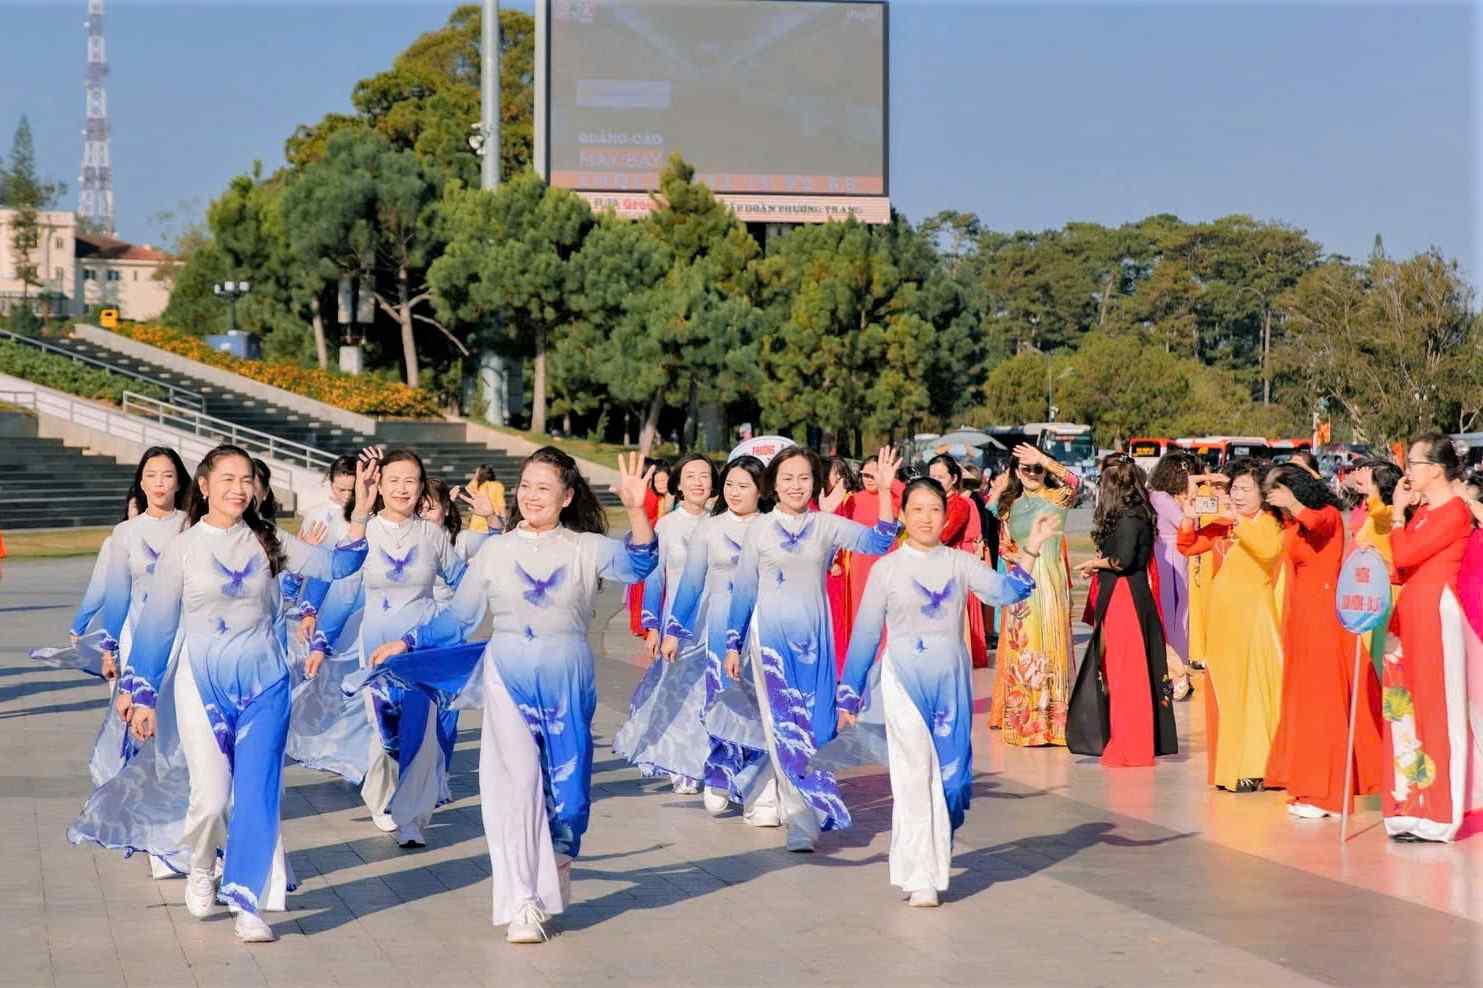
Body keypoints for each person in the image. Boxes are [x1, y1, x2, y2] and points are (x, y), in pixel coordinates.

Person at [361, 449, 658, 944]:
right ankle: (522, 900)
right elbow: (457, 616)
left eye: (544, 488)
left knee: (569, 797)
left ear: (566, 497)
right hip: (507, 679)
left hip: (567, 681)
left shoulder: (586, 547)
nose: (532, 495)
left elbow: (641, 564)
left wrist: (638, 510)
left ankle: (558, 861)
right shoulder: (496, 552)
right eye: (526, 485)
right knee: (514, 788)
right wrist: (408, 643)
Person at [116, 443, 373, 942]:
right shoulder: (183, 549)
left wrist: (360, 510)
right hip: (202, 684)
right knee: (211, 799)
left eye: (246, 480)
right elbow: (156, 627)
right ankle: (199, 864)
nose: (239, 489)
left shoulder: (270, 540)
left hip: (266, 684)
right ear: (205, 487)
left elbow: (338, 568)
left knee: (256, 793)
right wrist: (142, 694)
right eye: (227, 479)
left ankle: (247, 900)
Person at [836, 477, 1053, 906]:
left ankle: (924, 859)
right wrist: (850, 692)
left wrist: (1033, 546)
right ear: (902, 516)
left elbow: (1006, 592)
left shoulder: (958, 563)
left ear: (946, 515)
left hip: (951, 687)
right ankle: (922, 877)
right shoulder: (886, 569)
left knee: (951, 783)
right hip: (903, 683)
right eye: (916, 509)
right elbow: (864, 633)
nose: (925, 518)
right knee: (914, 774)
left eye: (934, 509)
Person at [721, 445, 902, 852]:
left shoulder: (826, 526)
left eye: (804, 477)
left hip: (817, 643)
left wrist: (887, 492)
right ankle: (801, 818)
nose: (796, 486)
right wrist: (732, 644)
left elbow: (879, 542)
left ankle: (766, 788)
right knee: (785, 727)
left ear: (816, 482)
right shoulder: (759, 530)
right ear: (773, 484)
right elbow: (744, 590)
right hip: (770, 643)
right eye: (787, 478)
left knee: (819, 730)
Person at [303, 448, 476, 848]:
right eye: (394, 480)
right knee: (387, 734)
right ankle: (382, 799)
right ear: (378, 485)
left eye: (410, 481)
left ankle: (412, 817)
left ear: (420, 488)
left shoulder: (434, 535)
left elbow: (467, 584)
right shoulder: (363, 534)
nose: (402, 488)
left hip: (422, 651)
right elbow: (344, 593)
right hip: (376, 651)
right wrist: (321, 642)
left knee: (421, 731)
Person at [56, 446, 190, 877]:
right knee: (144, 735)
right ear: (141, 482)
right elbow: (116, 597)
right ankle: (151, 832)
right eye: (151, 475)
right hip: (139, 644)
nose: (159, 483)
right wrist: (110, 648)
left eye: (167, 475)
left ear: (180, 481)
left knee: (181, 737)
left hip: (186, 642)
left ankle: (181, 829)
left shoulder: (193, 528)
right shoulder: (125, 535)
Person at [1262, 463, 1384, 819]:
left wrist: (1294, 505)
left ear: (1296, 489)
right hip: (1300, 619)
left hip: (1324, 619)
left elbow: (1317, 524)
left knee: (1323, 706)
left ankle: (1326, 794)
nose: (1275, 498)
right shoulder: (1292, 524)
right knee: (1303, 703)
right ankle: (1305, 782)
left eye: (1279, 490)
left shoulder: (1326, 515)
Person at [658, 455, 773, 819]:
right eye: (730, 485)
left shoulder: (773, 527)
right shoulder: (710, 528)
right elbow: (691, 583)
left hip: (763, 625)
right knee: (723, 697)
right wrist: (673, 629)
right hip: (720, 626)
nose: (735, 492)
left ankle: (758, 785)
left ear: (761, 490)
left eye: (744, 486)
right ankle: (720, 773)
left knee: (762, 704)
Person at [1382, 435, 1474, 842]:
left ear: (1436, 469)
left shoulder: (1455, 512)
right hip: (1408, 620)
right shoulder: (1422, 513)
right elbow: (1399, 568)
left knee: (1439, 714)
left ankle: (1442, 812)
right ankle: (1410, 804)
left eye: (1415, 463)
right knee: (1405, 713)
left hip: (1438, 619)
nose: (1408, 472)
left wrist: (1398, 516)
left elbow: (1404, 555)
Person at [1177, 458, 1285, 791]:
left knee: (1251, 692)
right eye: (1234, 488)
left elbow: (1268, 552)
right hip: (1224, 623)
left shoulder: (1270, 523)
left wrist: (1239, 522)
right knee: (1227, 694)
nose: (1237, 495)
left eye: (1244, 489)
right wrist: (1189, 517)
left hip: (1254, 620)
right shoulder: (1227, 524)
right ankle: (1231, 768)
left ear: (1263, 493)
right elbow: (1188, 545)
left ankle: (1256, 766)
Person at [1068, 456, 1178, 766]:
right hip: (1124, 593)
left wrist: (1094, 563)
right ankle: (1126, 740)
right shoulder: (1135, 514)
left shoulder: (1130, 517)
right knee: (1120, 671)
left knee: (1127, 672)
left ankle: (1133, 744)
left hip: (1125, 597)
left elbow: (1124, 560)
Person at [616, 452, 717, 791]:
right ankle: (681, 765)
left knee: (709, 693)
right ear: (678, 484)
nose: (699, 482)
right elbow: (655, 578)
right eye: (691, 476)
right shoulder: (667, 526)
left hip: (714, 622)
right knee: (677, 692)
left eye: (705, 475)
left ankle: (707, 761)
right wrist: (653, 626)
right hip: (678, 624)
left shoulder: (723, 524)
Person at [983, 443, 1079, 745]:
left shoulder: (1057, 498)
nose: (1032, 474)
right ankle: (1027, 724)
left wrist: (1046, 460)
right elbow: (999, 533)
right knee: (1024, 648)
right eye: (1026, 468)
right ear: (1015, 470)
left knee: (1051, 645)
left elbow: (1075, 482)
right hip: (1022, 580)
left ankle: (1054, 723)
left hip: (1049, 582)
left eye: (1037, 469)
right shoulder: (1010, 506)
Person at [1147, 450, 1201, 701]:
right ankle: (1176, 672)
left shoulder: (1159, 496)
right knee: (1174, 614)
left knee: (1177, 613)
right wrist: (1191, 500)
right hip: (1169, 554)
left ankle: (1174, 669)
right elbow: (1186, 524)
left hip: (1172, 553)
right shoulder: (1163, 498)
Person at [927, 454, 989, 669]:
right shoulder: (935, 502)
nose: (935, 481)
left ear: (954, 478)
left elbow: (942, 536)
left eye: (940, 477)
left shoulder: (959, 503)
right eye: (932, 477)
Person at [1351, 460, 1404, 676]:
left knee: (1383, 662)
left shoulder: (1390, 514)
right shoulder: (1373, 513)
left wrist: (1371, 492)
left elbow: (1382, 515)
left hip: (1387, 597)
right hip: (1368, 594)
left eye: (1371, 481)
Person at [822, 456, 862, 673]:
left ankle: (840, 663)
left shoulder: (848, 499)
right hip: (822, 565)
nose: (835, 477)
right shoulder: (820, 498)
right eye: (830, 472)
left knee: (839, 614)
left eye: (838, 472)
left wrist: (833, 560)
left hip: (841, 565)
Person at [627, 459, 672, 638]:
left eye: (664, 480)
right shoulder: (650, 496)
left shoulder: (666, 497)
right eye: (658, 481)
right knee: (646, 587)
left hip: (657, 545)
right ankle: (644, 625)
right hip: (650, 545)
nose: (661, 484)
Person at [465, 464, 508, 534]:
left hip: (476, 523)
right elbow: (501, 505)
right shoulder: (498, 485)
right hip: (493, 523)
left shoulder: (477, 485)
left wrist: (476, 476)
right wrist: (504, 522)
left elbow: (467, 488)